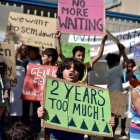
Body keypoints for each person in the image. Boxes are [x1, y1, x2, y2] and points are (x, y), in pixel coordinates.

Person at [37, 58, 115, 140]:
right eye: (67, 68)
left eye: (76, 69)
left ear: (80, 74)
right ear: (61, 72)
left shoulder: (88, 94)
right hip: (56, 136)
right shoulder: (51, 90)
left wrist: (108, 122)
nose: (72, 70)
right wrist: (41, 112)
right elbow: (46, 112)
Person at [105, 44, 129, 139]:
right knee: (113, 121)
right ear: (116, 63)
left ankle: (109, 137)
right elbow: (126, 62)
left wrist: (119, 52)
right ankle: (108, 137)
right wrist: (123, 51)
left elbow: (117, 62)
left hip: (113, 97)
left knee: (114, 120)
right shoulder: (114, 70)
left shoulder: (110, 70)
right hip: (114, 98)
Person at [22, 46, 42, 139]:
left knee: (36, 113)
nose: (28, 52)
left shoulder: (41, 62)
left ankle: (35, 133)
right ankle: (25, 133)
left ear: (36, 51)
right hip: (27, 91)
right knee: (25, 112)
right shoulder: (26, 62)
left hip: (37, 92)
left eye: (30, 50)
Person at [41, 47, 58, 140]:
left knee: (50, 131)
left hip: (52, 106)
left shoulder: (59, 71)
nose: (41, 58)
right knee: (45, 131)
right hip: (41, 104)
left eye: (44, 56)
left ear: (50, 58)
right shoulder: (40, 69)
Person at [10, 43, 27, 124]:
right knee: (15, 114)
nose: (26, 52)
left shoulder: (26, 62)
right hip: (14, 91)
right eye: (24, 50)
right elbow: (11, 62)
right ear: (19, 50)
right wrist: (16, 49)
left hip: (24, 92)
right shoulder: (13, 61)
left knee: (24, 116)